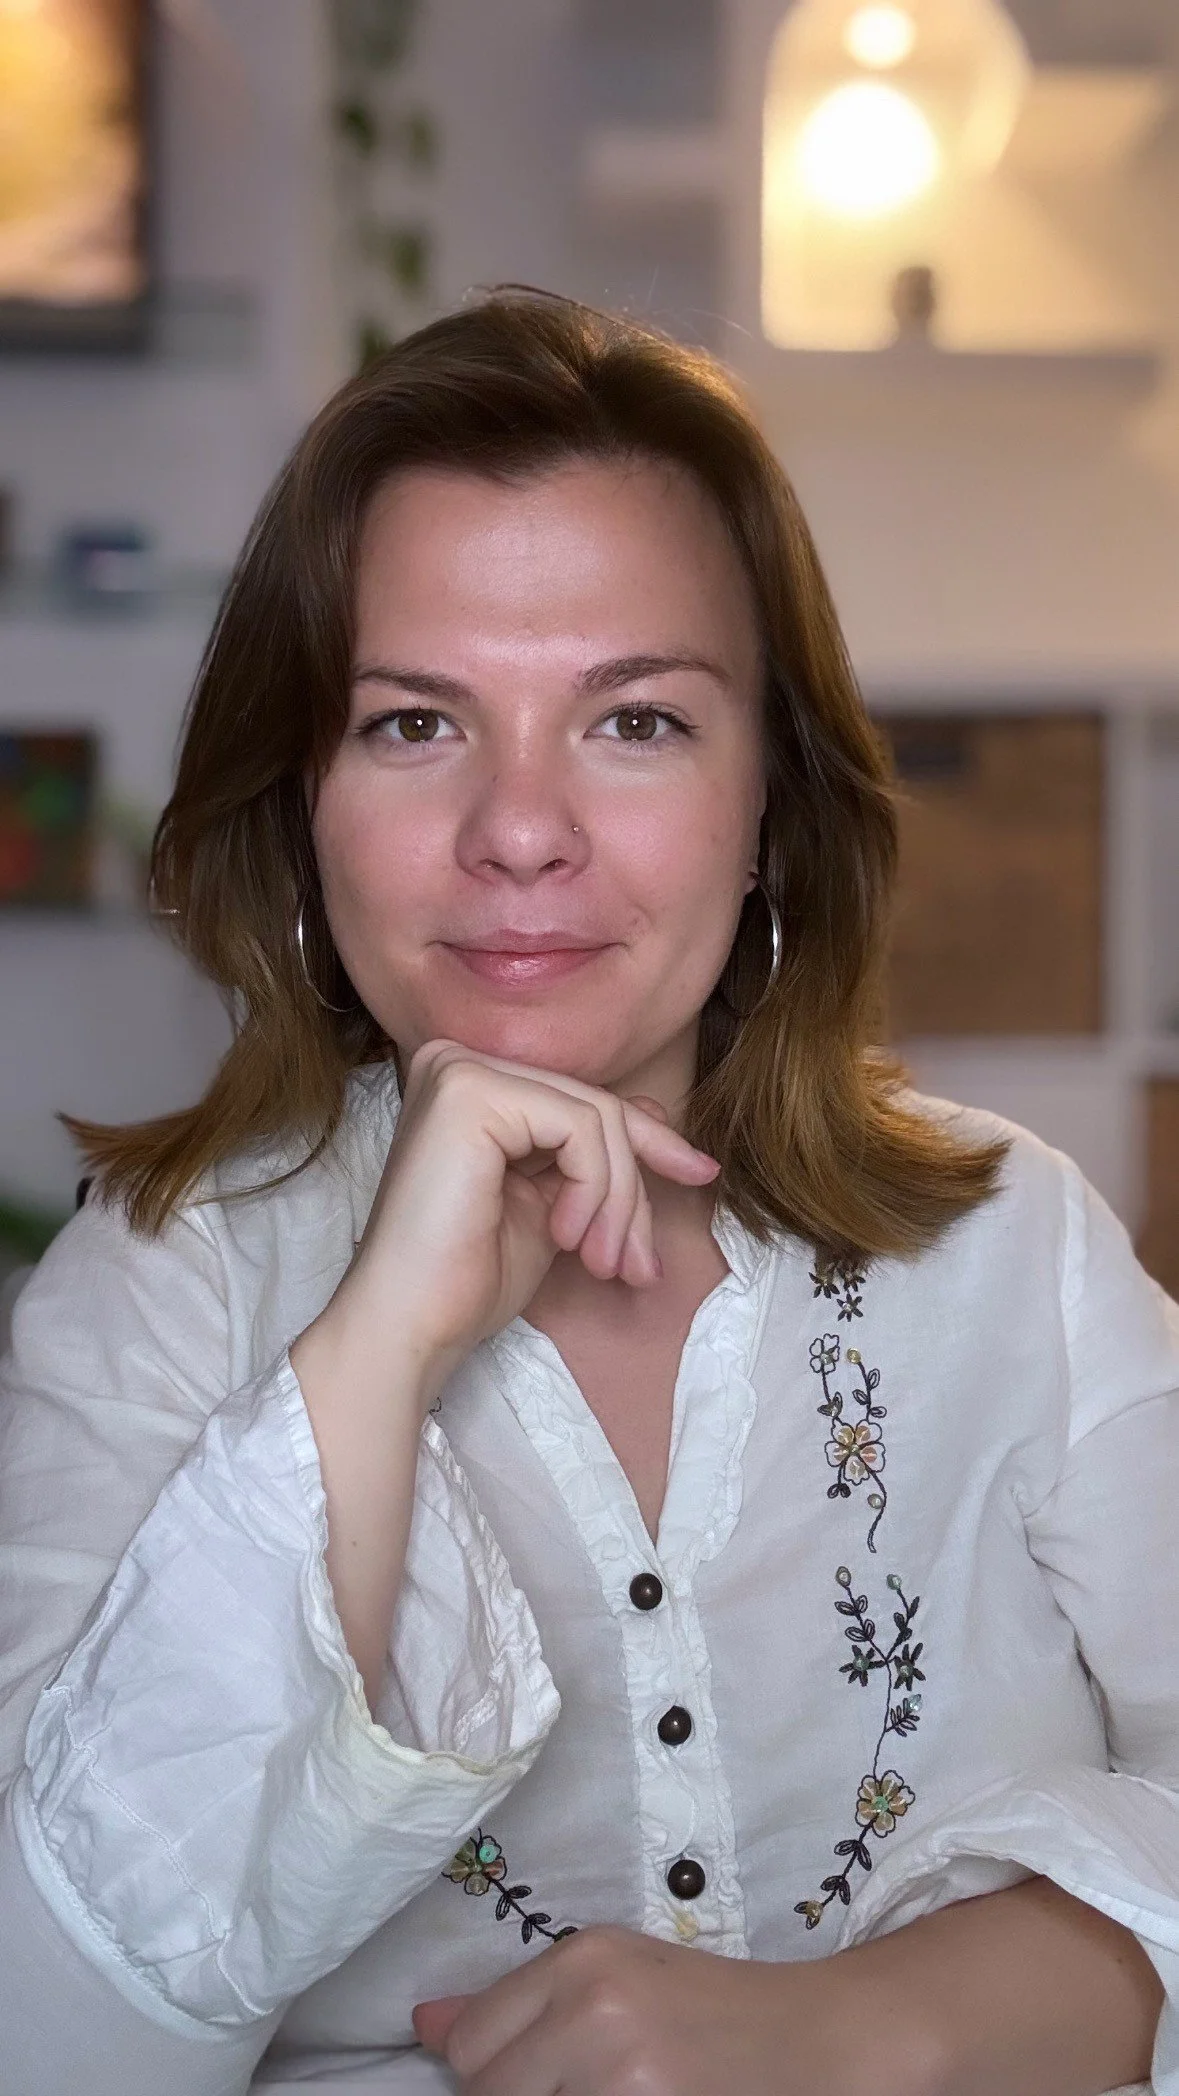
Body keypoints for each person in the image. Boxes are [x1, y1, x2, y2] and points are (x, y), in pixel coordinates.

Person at [0, 289, 1176, 2096]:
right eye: (412, 725)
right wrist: (374, 1358)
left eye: (633, 722)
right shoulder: (156, 1288)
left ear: (769, 794)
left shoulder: (1009, 1241)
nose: (520, 828)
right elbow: (39, 2033)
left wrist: (894, 2016)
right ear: (299, 800)